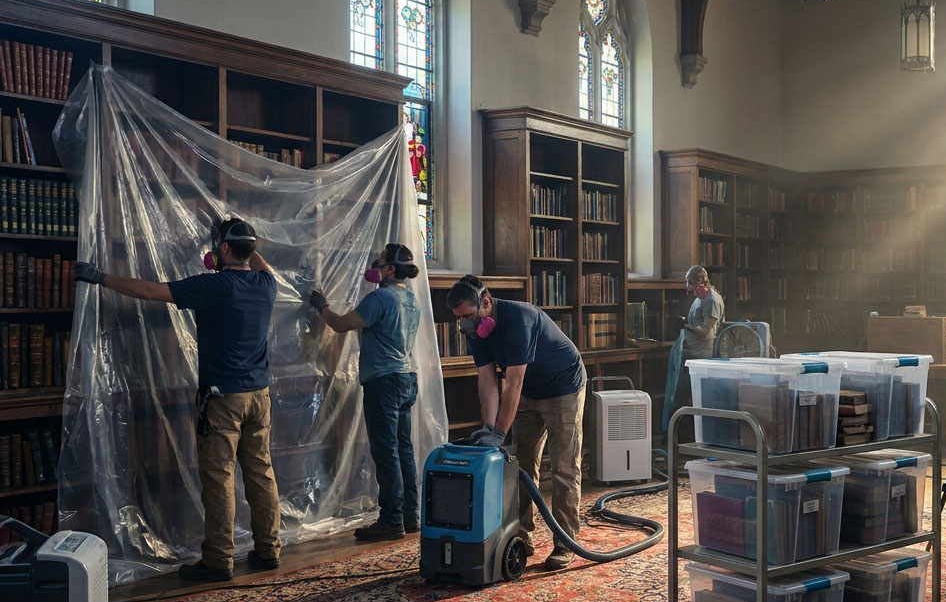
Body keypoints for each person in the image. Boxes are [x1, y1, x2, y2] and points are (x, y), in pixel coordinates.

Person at [75, 217, 281, 582]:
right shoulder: (266, 284)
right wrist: (240, 243)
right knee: (261, 473)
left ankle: (219, 560)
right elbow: (259, 262)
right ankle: (269, 551)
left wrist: (100, 277)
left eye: (219, 245)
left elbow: (151, 291)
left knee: (219, 479)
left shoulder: (214, 287)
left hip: (223, 401)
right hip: (259, 396)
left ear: (223, 249)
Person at [447, 275, 586, 571]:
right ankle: (522, 537)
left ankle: (565, 543)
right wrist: (488, 429)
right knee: (521, 468)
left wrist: (500, 431)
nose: (465, 325)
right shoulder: (477, 334)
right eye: (460, 319)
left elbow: (514, 382)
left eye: (469, 316)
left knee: (563, 467)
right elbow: (487, 381)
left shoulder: (518, 319)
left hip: (563, 387)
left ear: (486, 303)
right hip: (528, 392)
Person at [308, 244, 422, 542]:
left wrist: (321, 306)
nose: (375, 265)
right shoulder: (411, 299)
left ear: (391, 269)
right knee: (404, 449)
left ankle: (391, 520)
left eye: (380, 261)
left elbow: (341, 324)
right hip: (408, 378)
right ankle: (411, 516)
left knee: (387, 453)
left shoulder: (379, 298)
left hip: (383, 383)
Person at [668, 264, 726, 424]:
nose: (687, 286)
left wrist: (685, 325)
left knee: (688, 394)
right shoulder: (700, 298)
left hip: (700, 354)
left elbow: (706, 332)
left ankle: (689, 430)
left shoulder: (711, 300)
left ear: (700, 281)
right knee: (682, 392)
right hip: (691, 350)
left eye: (690, 282)